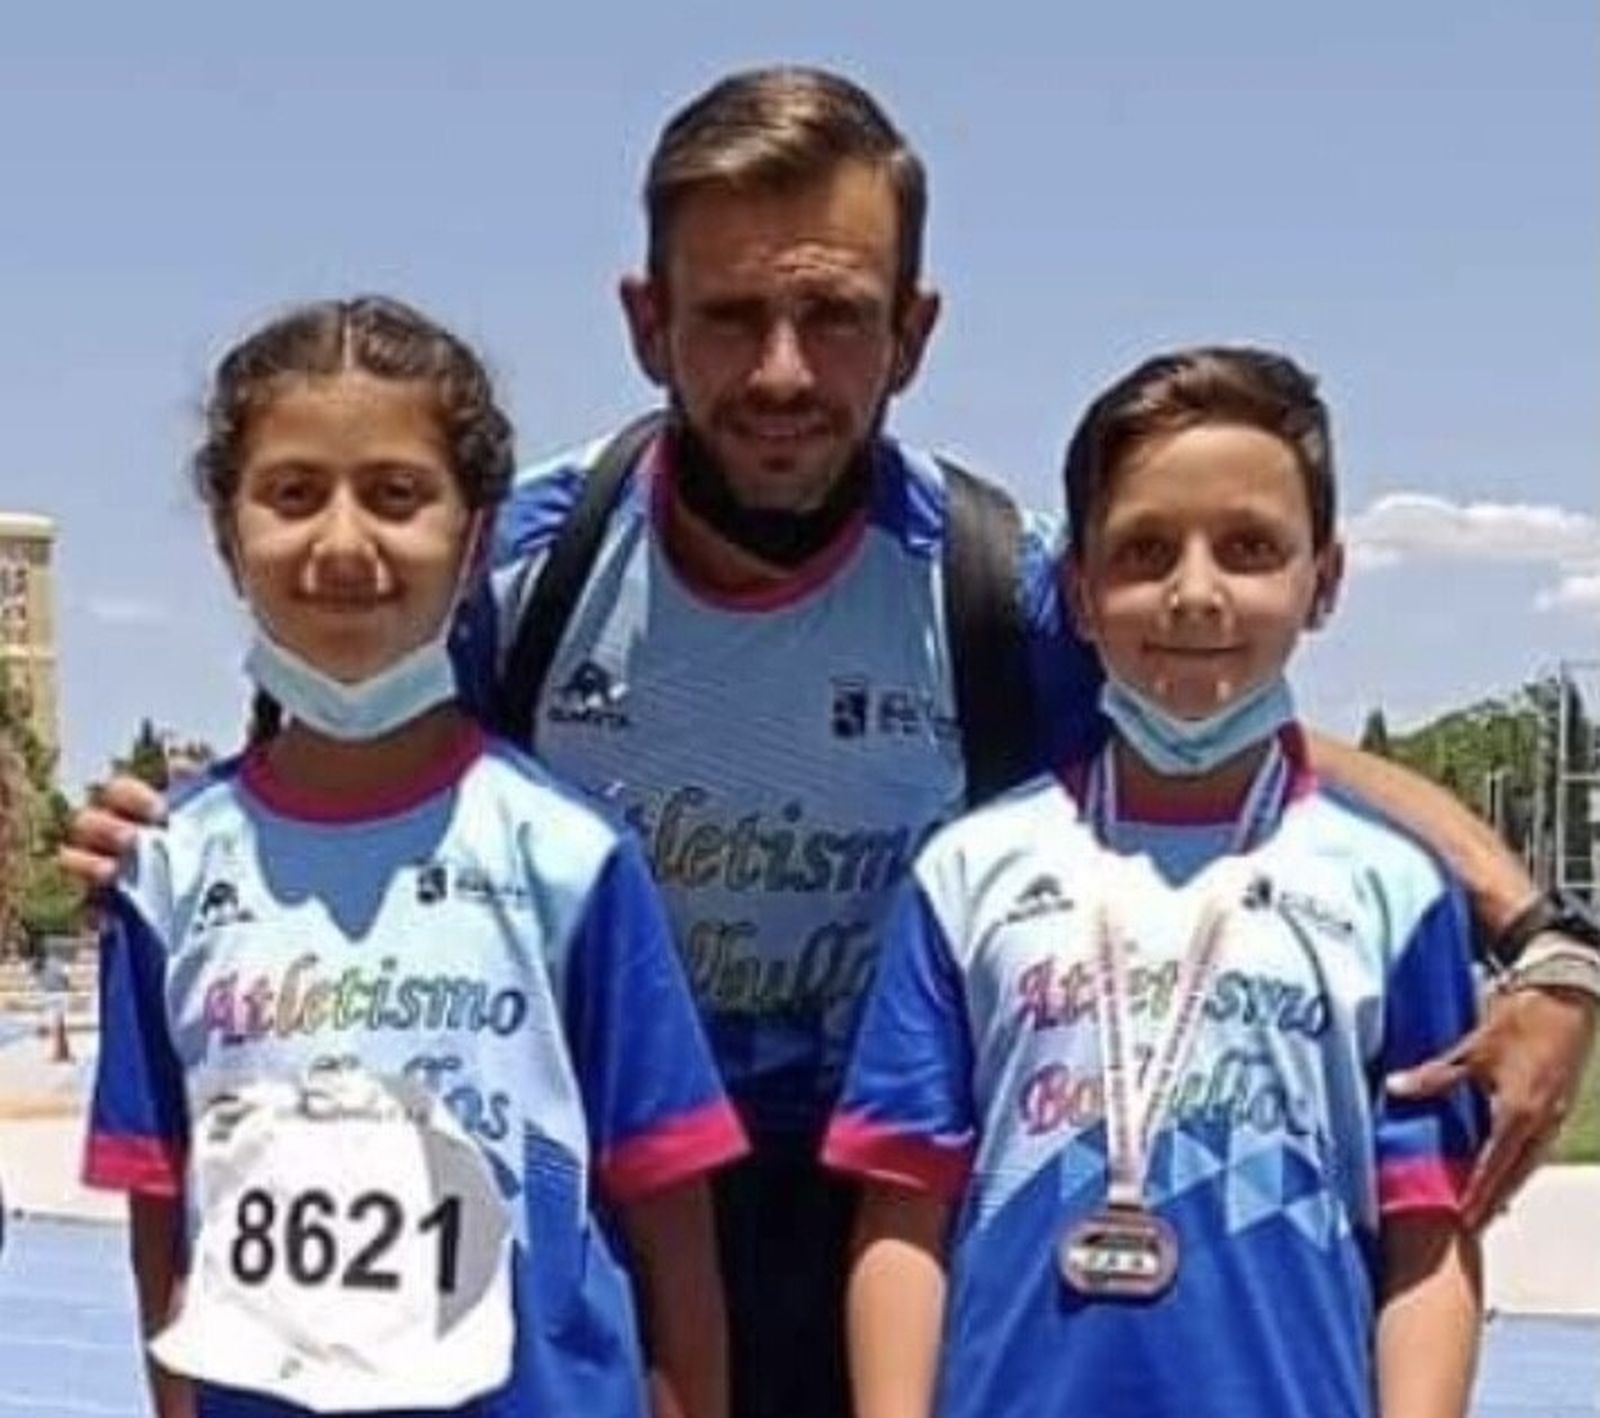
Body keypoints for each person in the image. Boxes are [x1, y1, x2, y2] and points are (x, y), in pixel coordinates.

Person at [65, 67, 1598, 1418]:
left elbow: (1253, 723)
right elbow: (346, 753)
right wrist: (179, 833)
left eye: (835, 315)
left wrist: (1544, 940)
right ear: (646, 321)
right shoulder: (523, 565)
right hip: (611, 1221)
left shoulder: (993, 575)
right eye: (731, 315)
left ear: (913, 332)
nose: (784, 370)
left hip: (899, 1217)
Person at [81, 297, 744, 1418]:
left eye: (396, 495)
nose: (344, 544)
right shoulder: (168, 874)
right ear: (225, 534)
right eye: (293, 494)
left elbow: (671, 1223)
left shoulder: (569, 858)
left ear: (475, 536)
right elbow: (164, 1227)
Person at [828, 347, 1486, 1418]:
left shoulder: (1395, 889)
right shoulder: (967, 870)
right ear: (1078, 594)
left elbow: (1427, 1234)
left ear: (1323, 580)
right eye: (1141, 551)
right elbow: (902, 1214)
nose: (1192, 591)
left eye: (1248, 548)